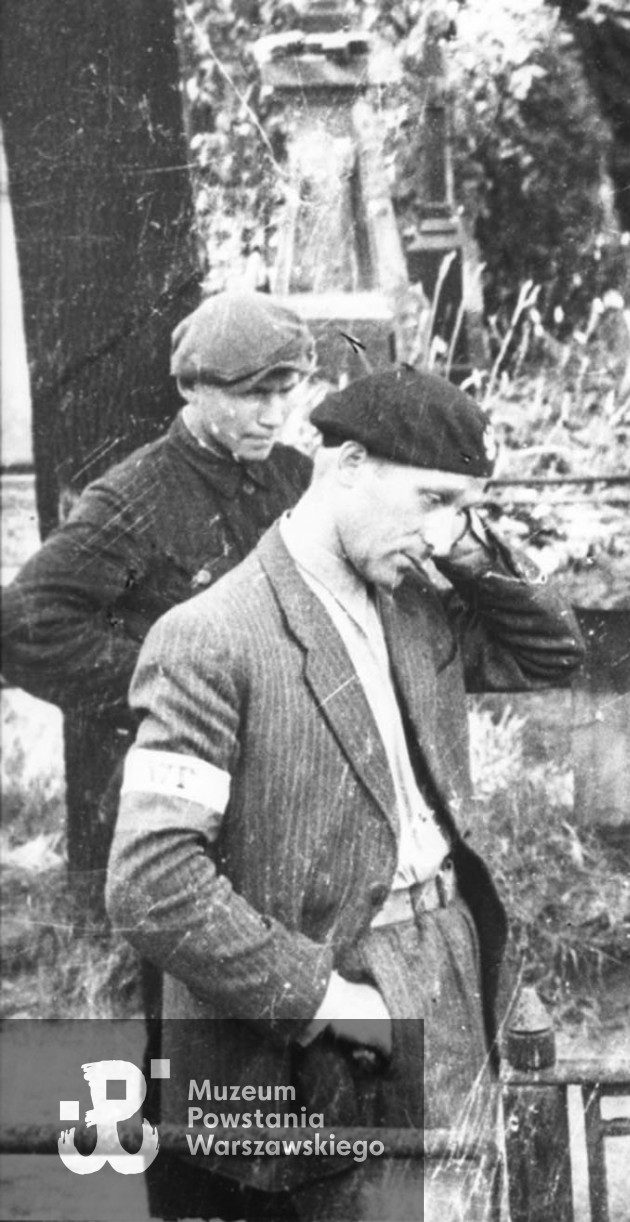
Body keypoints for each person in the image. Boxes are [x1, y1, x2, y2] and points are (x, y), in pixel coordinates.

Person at [107, 367, 584, 1219]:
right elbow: (152, 885)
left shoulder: (415, 602)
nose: (443, 535)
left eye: (461, 509)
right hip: (330, 995)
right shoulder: (212, 637)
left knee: (467, 1200)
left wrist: (461, 532)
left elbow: (550, 654)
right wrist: (329, 1004)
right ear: (349, 463)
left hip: (451, 955)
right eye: (431, 499)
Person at [1, 289, 316, 922]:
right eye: (256, 394)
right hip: (189, 793)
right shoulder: (134, 497)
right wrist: (169, 688)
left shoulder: (294, 477)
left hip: (293, 785)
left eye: (290, 391)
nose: (276, 414)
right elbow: (24, 627)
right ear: (193, 387)